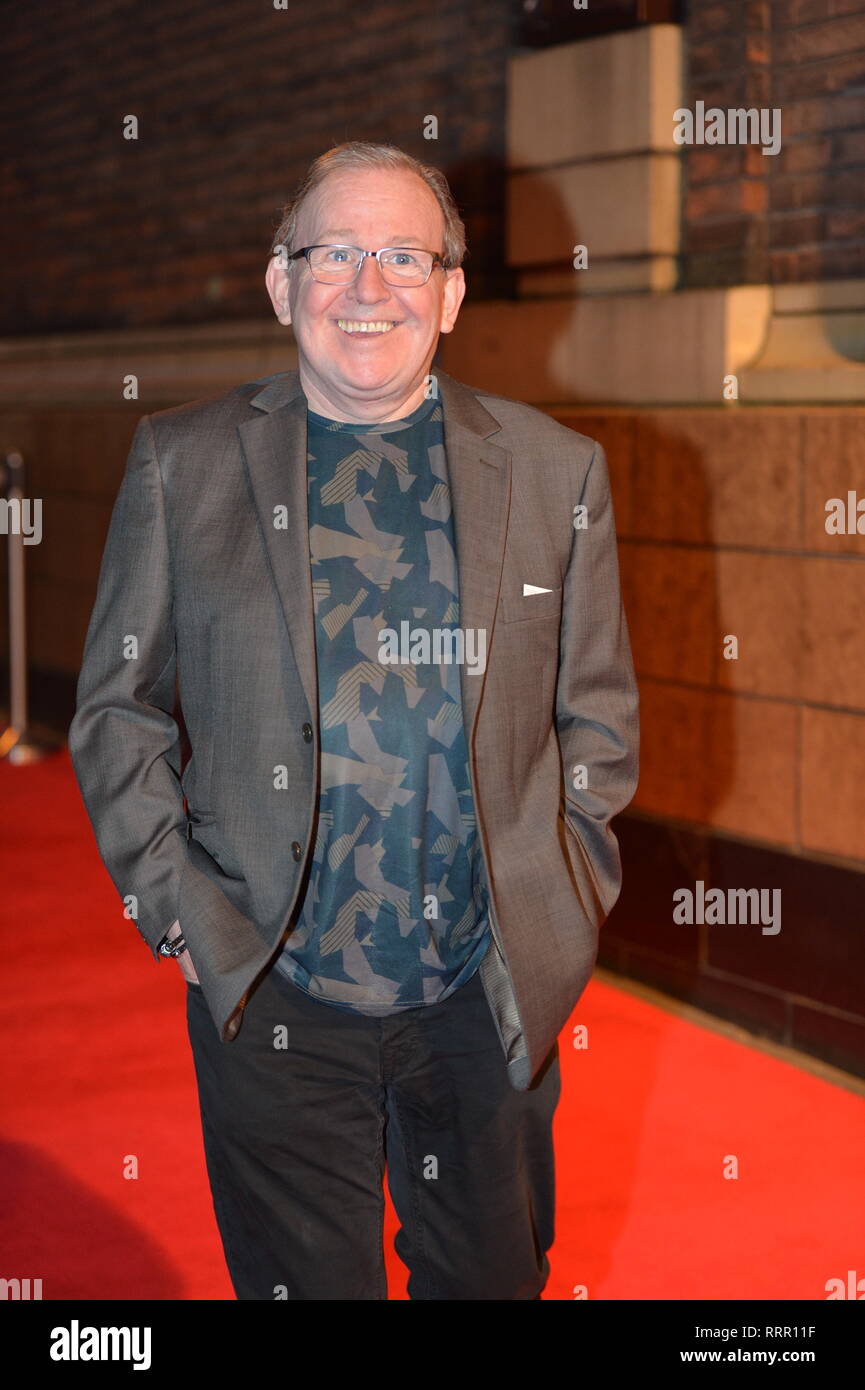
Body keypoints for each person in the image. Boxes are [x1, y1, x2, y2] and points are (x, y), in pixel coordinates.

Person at [68, 140, 639, 1300]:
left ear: (451, 292)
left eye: (403, 257)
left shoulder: (555, 471)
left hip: (485, 992)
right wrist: (187, 921)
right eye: (332, 254)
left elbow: (598, 720)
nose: (368, 287)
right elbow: (117, 711)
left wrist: (561, 908)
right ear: (281, 283)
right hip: (272, 989)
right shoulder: (184, 464)